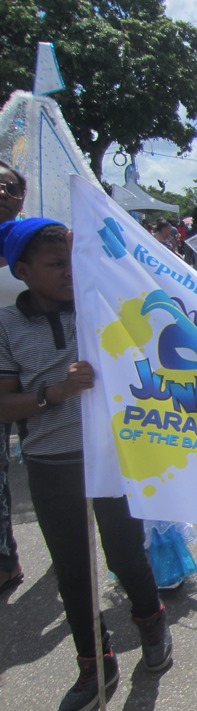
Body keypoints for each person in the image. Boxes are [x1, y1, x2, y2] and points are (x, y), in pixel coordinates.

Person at [0, 218, 172, 711]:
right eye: (54, 265)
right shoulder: (7, 326)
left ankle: (151, 621)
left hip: (113, 456)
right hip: (52, 463)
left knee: (124, 554)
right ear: (23, 270)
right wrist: (54, 393)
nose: (67, 273)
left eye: (70, 262)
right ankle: (95, 663)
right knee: (73, 572)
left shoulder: (102, 310)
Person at [0, 160, 24, 592]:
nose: (1, 193)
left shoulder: (41, 241)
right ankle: (5, 557)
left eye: (8, 186)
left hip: (46, 367)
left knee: (60, 463)